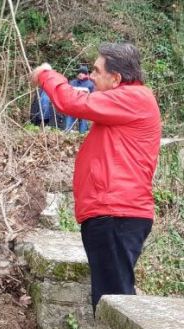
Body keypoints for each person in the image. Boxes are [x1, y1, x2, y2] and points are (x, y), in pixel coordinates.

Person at [31, 43, 161, 313]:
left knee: (113, 304)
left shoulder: (134, 97)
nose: (90, 76)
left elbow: (71, 102)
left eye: (96, 70)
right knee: (108, 301)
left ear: (116, 78)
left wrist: (46, 75)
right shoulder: (125, 104)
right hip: (111, 214)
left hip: (117, 214)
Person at [64, 65, 95, 133]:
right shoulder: (72, 83)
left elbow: (93, 97)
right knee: (68, 126)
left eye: (82, 72)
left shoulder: (90, 84)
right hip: (72, 107)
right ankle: (67, 136)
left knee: (83, 128)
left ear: (86, 74)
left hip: (84, 109)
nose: (80, 74)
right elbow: (68, 94)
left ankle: (81, 138)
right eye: (79, 72)